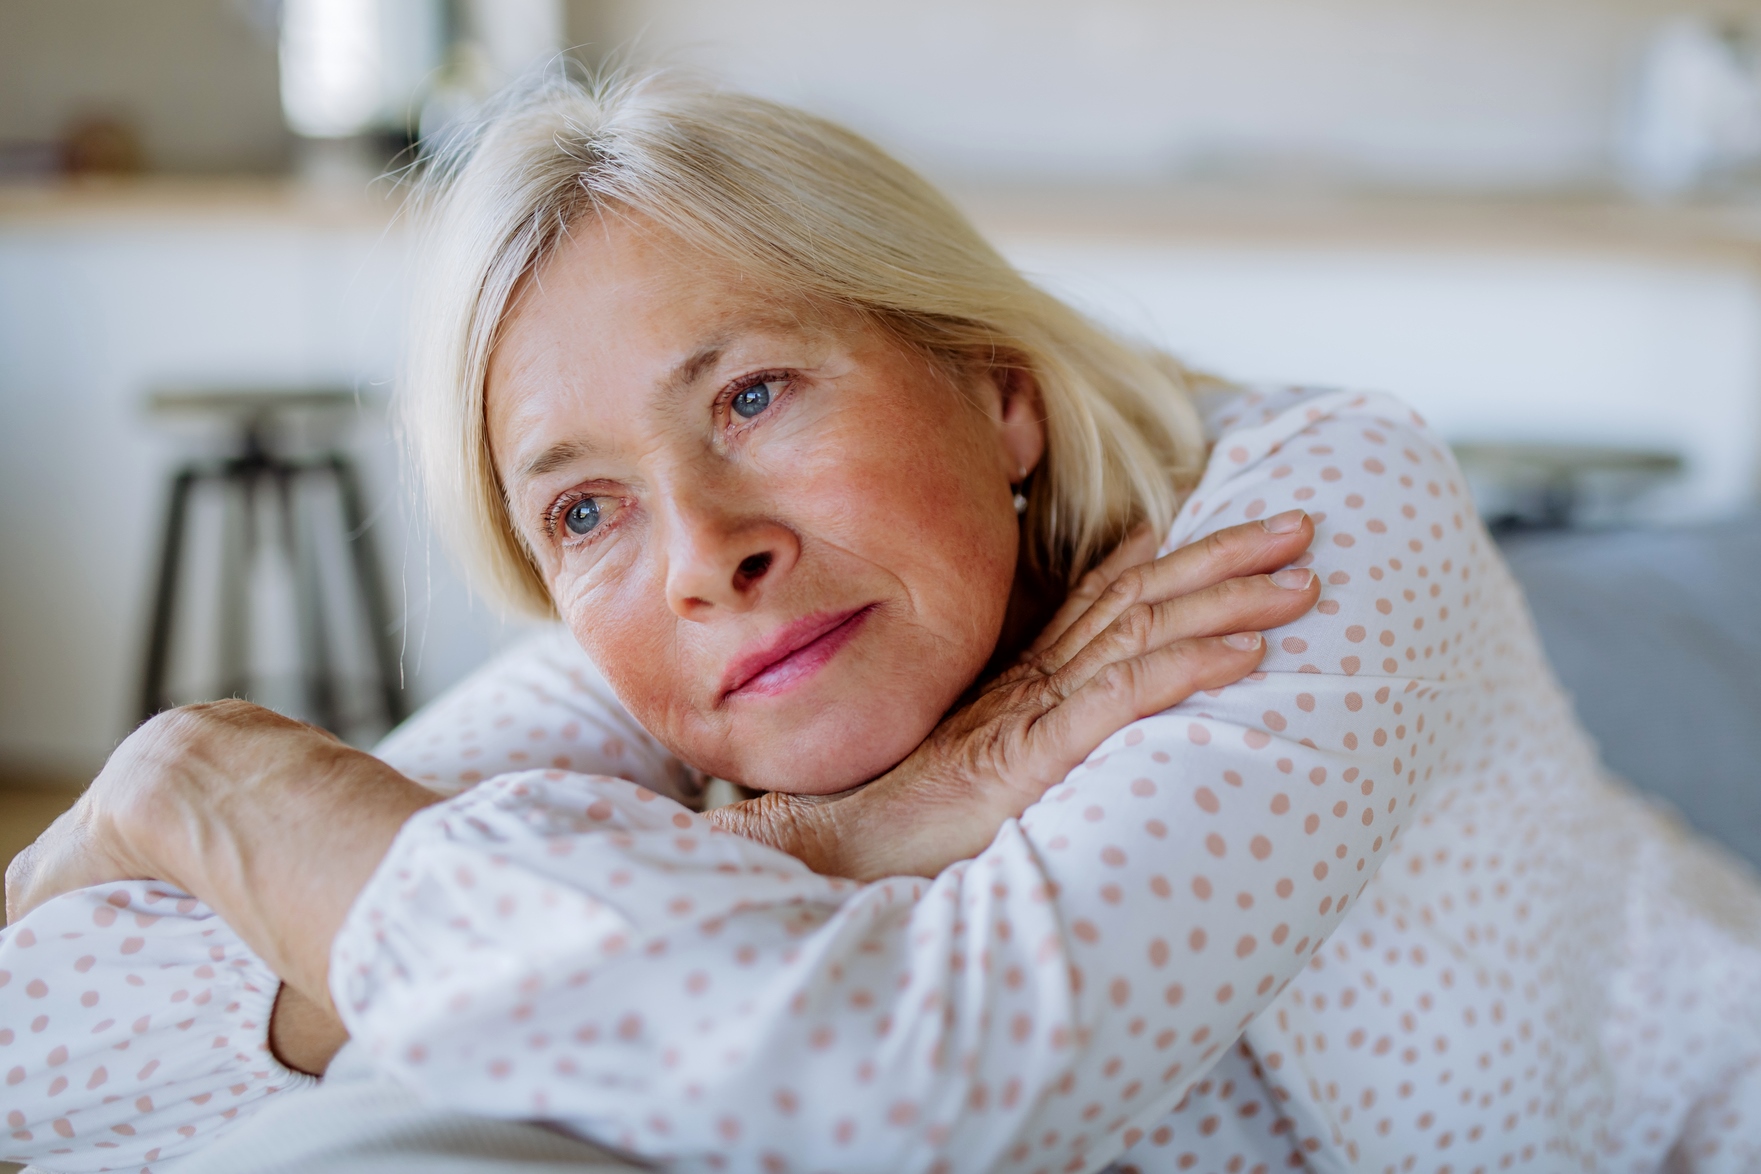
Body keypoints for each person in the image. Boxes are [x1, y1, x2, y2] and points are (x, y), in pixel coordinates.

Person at [6, 68, 1761, 1174]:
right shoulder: (671, 651)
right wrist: (833, 841)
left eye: (757, 392)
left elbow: (916, 1089)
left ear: (994, 391)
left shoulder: (1316, 504)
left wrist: (233, 797)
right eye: (584, 507)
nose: (704, 547)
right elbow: (36, 1049)